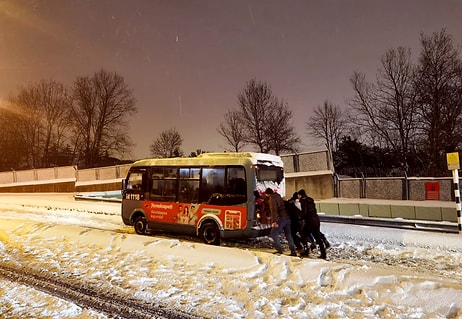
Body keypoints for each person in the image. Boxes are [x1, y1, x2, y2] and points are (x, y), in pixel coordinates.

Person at [265, 188, 297, 256]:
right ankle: (293, 251)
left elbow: (274, 210)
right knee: (288, 234)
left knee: (273, 233)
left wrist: (274, 221)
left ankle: (279, 250)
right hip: (287, 218)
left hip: (281, 218)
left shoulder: (272, 199)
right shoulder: (278, 196)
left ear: (267, 194)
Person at [297, 189, 327, 259]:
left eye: (298, 195)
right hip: (316, 220)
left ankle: (306, 250)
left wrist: (301, 218)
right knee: (318, 238)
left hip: (310, 221)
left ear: (300, 195)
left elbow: (305, 212)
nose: (298, 197)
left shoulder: (303, 201)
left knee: (303, 235)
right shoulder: (310, 200)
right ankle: (323, 254)